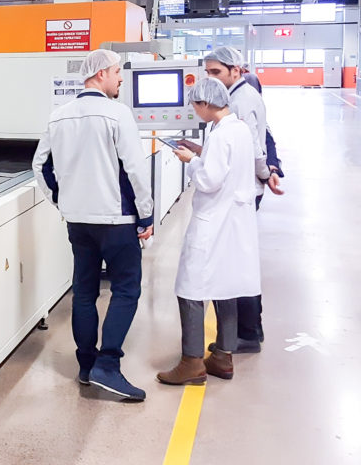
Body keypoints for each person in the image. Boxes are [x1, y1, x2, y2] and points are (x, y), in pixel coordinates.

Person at [33, 49, 154, 402]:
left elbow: (40, 166)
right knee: (126, 289)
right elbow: (135, 169)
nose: (120, 78)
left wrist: (62, 202)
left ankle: (86, 365)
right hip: (117, 220)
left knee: (84, 291)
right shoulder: (118, 114)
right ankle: (108, 366)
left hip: (78, 222)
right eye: (117, 72)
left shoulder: (59, 116)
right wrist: (146, 215)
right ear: (100, 74)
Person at [157, 78, 261, 384]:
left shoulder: (220, 134)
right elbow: (226, 163)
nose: (194, 111)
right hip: (234, 223)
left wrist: (190, 161)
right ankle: (223, 357)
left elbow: (209, 180)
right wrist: (200, 151)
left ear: (205, 103)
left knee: (189, 288)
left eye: (195, 105)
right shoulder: (238, 129)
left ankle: (191, 362)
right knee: (224, 286)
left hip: (212, 221)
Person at [194, 47, 283, 353]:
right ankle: (248, 330)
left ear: (236, 70)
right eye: (207, 72)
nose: (211, 78)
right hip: (240, 190)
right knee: (239, 260)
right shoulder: (238, 96)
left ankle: (247, 332)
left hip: (238, 194)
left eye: (216, 72)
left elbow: (253, 147)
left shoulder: (240, 101)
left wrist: (266, 173)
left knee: (236, 264)